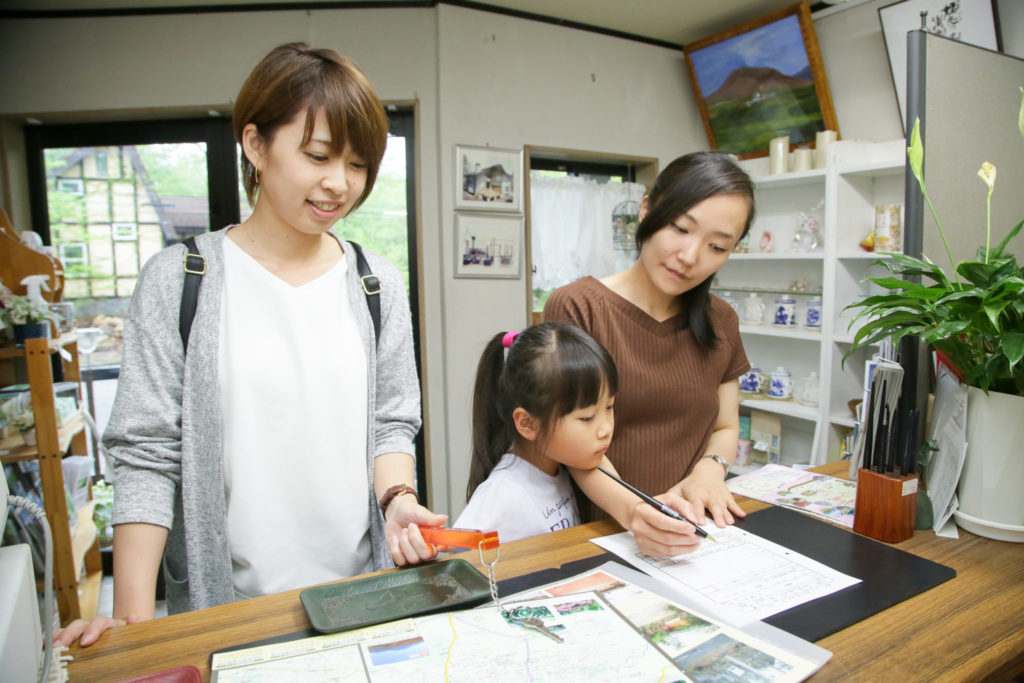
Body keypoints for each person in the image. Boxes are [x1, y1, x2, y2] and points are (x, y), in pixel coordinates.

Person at [56, 42, 445, 647]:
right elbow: (146, 452)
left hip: (361, 595)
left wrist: (398, 499)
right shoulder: (180, 280)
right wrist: (134, 622)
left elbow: (392, 423)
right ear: (256, 145)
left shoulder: (376, 284)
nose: (339, 184)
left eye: (359, 165)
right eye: (318, 155)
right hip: (229, 606)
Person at [543, 152, 755, 558]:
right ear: (647, 211)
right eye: (680, 228)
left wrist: (710, 473)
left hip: (693, 536)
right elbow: (572, 443)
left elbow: (726, 426)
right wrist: (638, 512)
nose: (691, 256)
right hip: (597, 534)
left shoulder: (721, 321)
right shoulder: (578, 308)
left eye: (716, 246)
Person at [454, 323, 617, 542]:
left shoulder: (558, 468)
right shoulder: (503, 496)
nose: (606, 429)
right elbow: (459, 560)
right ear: (528, 424)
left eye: (609, 407)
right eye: (587, 417)